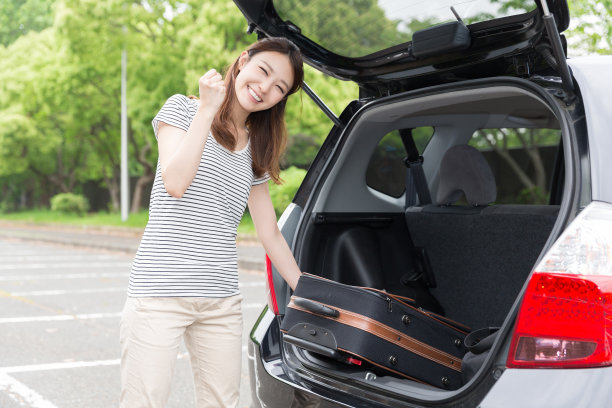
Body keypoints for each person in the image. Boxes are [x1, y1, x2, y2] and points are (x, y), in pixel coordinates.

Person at [119, 37, 304, 408]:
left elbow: (268, 232)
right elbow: (175, 182)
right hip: (160, 292)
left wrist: (307, 290)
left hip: (220, 300)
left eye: (279, 88)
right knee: (144, 401)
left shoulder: (256, 148)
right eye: (263, 72)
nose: (265, 88)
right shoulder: (184, 110)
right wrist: (207, 110)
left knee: (223, 403)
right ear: (243, 61)